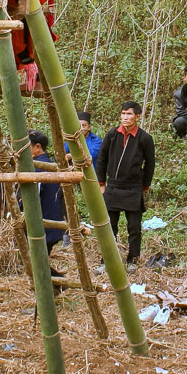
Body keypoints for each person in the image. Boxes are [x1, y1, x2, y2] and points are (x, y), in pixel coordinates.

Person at [97, 101, 155, 270]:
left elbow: (150, 164)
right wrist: (102, 184)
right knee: (109, 227)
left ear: (137, 116)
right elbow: (102, 159)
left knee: (134, 227)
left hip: (133, 187)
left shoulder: (144, 138)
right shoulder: (112, 135)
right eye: (123, 113)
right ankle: (106, 261)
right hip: (113, 186)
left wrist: (144, 186)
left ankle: (133, 260)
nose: (125, 117)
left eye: (129, 114)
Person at [29, 131, 67, 277]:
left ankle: (59, 284)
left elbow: (33, 198)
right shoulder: (50, 165)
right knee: (38, 260)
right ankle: (56, 286)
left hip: (45, 224)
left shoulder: (40, 168)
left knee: (38, 261)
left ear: (37, 147)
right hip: (53, 222)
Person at [69, 111, 103, 176]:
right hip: (74, 175)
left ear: (89, 127)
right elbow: (63, 153)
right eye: (79, 126)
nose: (81, 128)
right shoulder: (72, 138)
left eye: (84, 125)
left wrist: (71, 155)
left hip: (92, 176)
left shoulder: (96, 140)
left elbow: (91, 154)